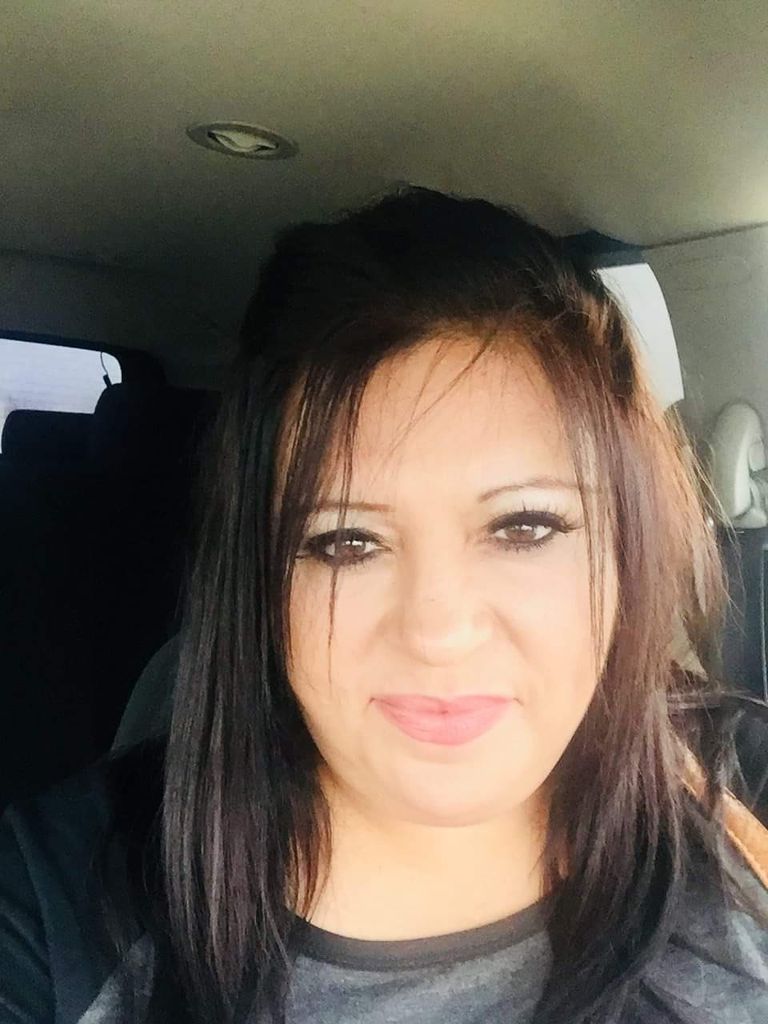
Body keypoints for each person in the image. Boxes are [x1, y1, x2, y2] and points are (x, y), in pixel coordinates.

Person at [1, 187, 767, 1024]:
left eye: (524, 527)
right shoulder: (57, 903)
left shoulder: (741, 785)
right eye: (346, 543)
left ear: (624, 550)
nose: (439, 632)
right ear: (263, 579)